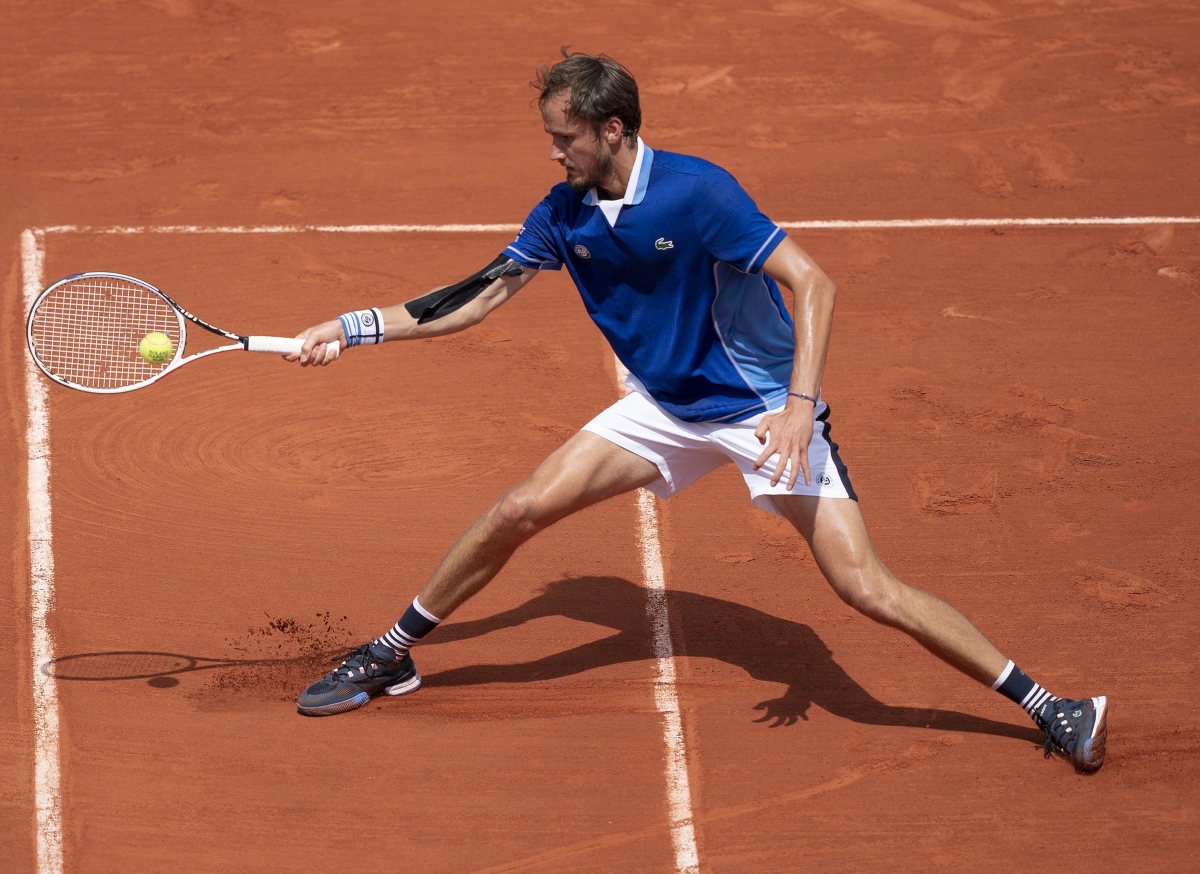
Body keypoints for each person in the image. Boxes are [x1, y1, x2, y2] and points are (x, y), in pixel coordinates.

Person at [286, 51, 1107, 771]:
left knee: (867, 589)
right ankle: (393, 654)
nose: (552, 150)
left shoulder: (698, 192)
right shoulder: (561, 211)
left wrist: (797, 409)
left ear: (611, 130)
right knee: (519, 507)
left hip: (759, 412)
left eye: (564, 136)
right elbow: (475, 298)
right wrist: (349, 329)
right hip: (666, 410)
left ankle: (1053, 707)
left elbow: (813, 282)